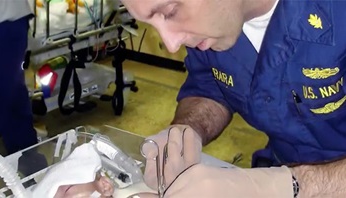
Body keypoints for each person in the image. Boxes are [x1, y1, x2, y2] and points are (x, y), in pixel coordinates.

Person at [120, 0, 346, 197]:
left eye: (170, 12)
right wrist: (186, 131)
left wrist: (287, 186)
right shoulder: (213, 27)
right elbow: (211, 84)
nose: (171, 44)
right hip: (280, 165)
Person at [0, 1, 38, 155]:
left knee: (5, 95)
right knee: (12, 96)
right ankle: (28, 159)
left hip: (5, 24)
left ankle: (27, 159)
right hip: (10, 23)